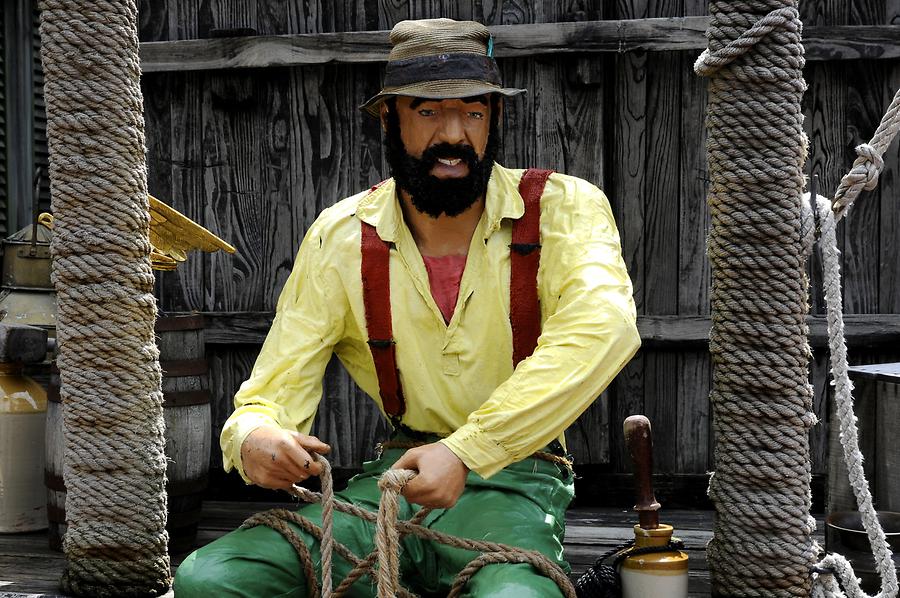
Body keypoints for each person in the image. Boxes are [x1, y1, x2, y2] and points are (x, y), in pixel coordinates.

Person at [174, 18, 640, 597]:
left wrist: (466, 451)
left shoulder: (565, 208)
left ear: (494, 118)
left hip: (516, 479)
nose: (455, 134)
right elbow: (270, 391)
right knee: (211, 578)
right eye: (428, 111)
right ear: (389, 118)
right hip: (390, 484)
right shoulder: (342, 234)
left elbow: (605, 328)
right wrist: (254, 439)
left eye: (474, 111)